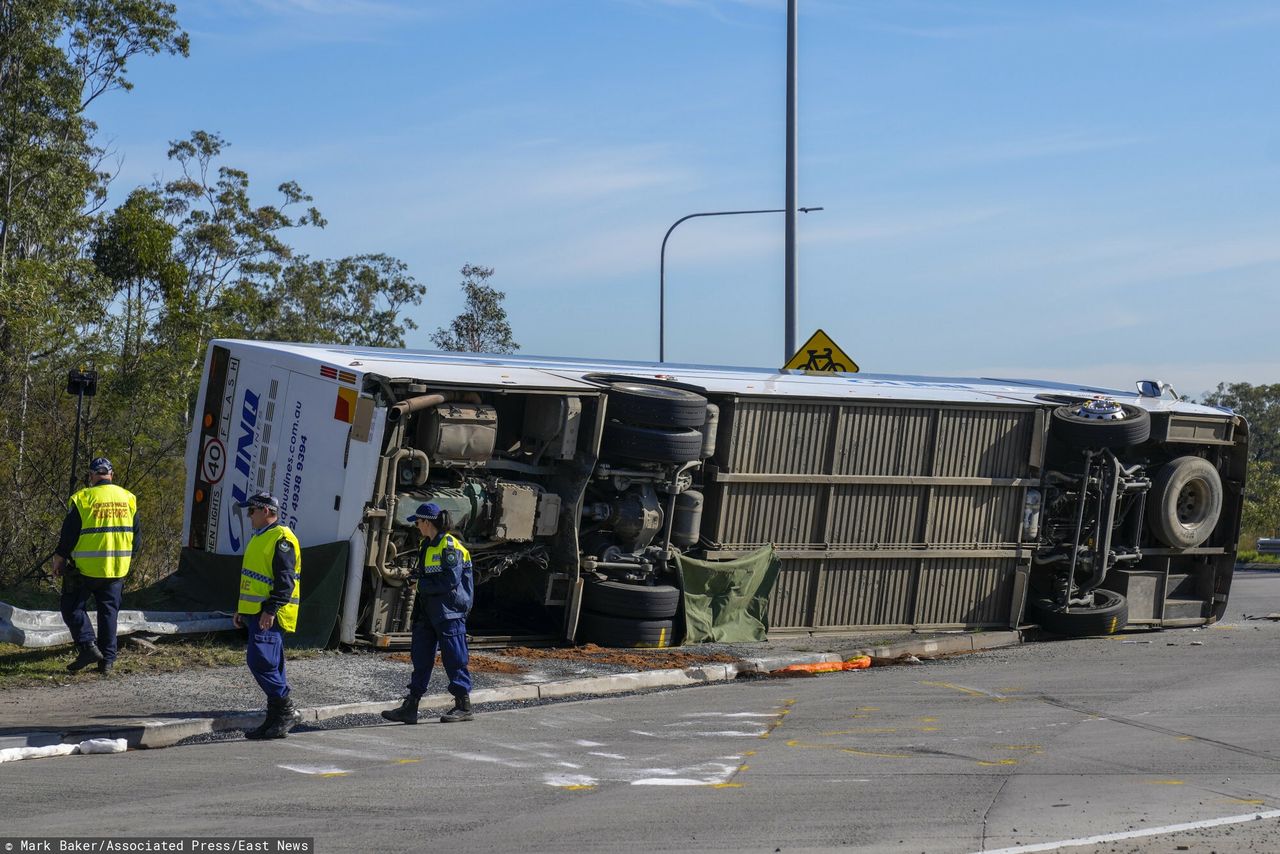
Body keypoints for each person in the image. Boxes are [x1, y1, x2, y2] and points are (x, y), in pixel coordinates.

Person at [383, 502, 476, 724]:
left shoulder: (449, 546)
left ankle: (463, 706)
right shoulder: (427, 545)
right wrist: (415, 577)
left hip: (449, 612)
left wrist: (420, 585)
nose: (416, 526)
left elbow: (450, 581)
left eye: (417, 522)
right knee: (421, 658)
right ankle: (411, 706)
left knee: (454, 658)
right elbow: (430, 574)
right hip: (428, 611)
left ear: (427, 522)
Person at [53, 457, 138, 676]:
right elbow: (137, 538)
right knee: (108, 614)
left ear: (91, 476)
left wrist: (60, 558)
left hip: (86, 569)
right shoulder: (128, 498)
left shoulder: (83, 499)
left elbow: (68, 535)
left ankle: (88, 646)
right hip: (117, 569)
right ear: (112, 475)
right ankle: (107, 662)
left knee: (71, 607)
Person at [233, 491, 303, 740]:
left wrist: (271, 609)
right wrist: (242, 610)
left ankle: (285, 709)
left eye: (252, 510)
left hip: (270, 614)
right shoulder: (262, 536)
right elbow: (254, 578)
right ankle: (275, 719)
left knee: (259, 662)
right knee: (271, 665)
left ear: (265, 511)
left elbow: (285, 581)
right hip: (257, 612)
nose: (249, 515)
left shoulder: (281, 538)